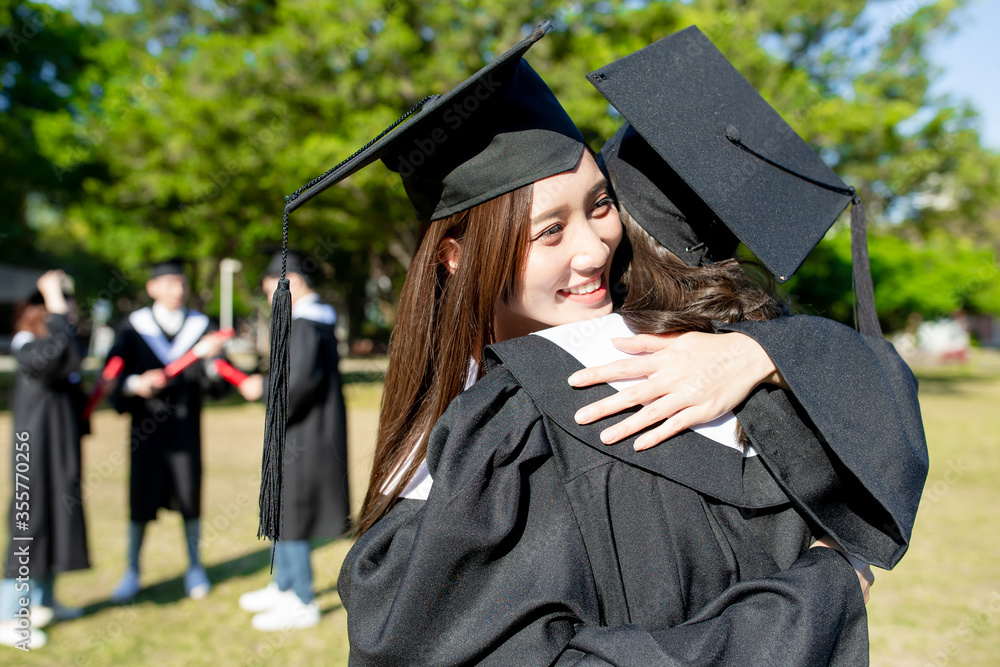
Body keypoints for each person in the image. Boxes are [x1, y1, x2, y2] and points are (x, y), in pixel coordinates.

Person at [270, 23, 921, 663]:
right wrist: (824, 593)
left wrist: (766, 354)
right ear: (454, 258)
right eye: (549, 232)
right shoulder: (482, 422)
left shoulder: (633, 383)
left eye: (601, 204)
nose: (593, 250)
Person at [236, 251, 350, 631]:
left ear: (294, 283)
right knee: (281, 504)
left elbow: (296, 385)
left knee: (292, 512)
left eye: (272, 292)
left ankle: (302, 598)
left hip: (305, 434)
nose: (271, 300)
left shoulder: (307, 324)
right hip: (303, 430)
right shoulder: (315, 322)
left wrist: (262, 387)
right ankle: (282, 584)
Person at [105, 258, 228, 602]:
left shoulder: (202, 326)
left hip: (185, 428)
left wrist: (213, 364)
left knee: (190, 497)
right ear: (152, 288)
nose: (177, 290)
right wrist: (133, 384)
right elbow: (112, 375)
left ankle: (194, 567)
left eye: (181, 283)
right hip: (145, 428)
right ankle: (132, 569)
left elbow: (218, 380)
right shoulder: (133, 327)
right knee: (140, 499)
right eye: (169, 283)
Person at [1, 271, 89, 650]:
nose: (67, 310)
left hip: (60, 448)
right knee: (29, 524)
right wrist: (55, 299)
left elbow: (72, 356)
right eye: (56, 305)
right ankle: (9, 615)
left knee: (59, 516)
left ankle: (43, 601)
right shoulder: (24, 344)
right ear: (38, 310)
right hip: (32, 450)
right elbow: (56, 358)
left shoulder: (57, 339)